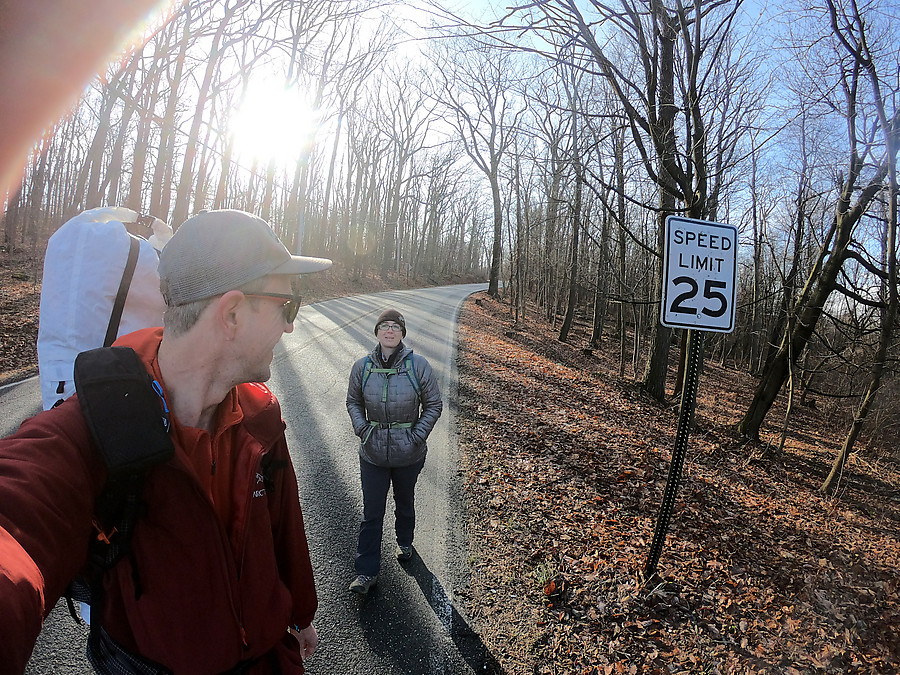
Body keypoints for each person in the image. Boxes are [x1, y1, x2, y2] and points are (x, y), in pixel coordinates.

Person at [0, 209, 331, 673]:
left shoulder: (259, 415)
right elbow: (17, 512)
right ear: (232, 312)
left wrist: (300, 615)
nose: (290, 325)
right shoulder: (92, 429)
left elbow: (284, 527)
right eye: (286, 307)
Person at [345, 309, 443, 595]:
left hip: (408, 454)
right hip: (372, 453)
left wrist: (416, 436)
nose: (389, 331)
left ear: (402, 333)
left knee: (404, 501)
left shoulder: (418, 365)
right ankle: (365, 573)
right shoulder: (362, 367)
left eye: (395, 327)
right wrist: (363, 430)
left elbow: (433, 405)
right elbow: (353, 401)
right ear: (377, 332)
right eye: (384, 326)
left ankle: (404, 540)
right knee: (372, 513)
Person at [37, 206, 168, 411]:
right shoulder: (145, 259)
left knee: (69, 426)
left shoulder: (69, 239)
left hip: (59, 380)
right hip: (116, 386)